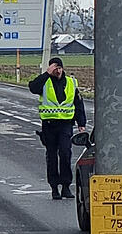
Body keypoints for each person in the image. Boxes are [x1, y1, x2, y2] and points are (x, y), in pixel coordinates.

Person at [29, 57, 87, 200]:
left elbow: (78, 103)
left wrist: (81, 123)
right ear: (50, 69)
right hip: (49, 125)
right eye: (55, 68)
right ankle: (54, 187)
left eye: (59, 68)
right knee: (52, 157)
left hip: (65, 125)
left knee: (66, 154)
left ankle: (66, 186)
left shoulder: (71, 82)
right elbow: (32, 88)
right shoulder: (45, 81)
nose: (58, 70)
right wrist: (46, 74)